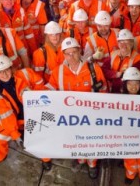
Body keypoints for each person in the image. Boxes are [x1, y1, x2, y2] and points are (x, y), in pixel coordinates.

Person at [46, 37, 108, 179]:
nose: (71, 56)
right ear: (63, 54)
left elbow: (104, 90)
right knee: (76, 140)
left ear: (80, 52)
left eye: (74, 52)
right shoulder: (57, 72)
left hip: (92, 117)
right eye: (68, 53)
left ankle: (92, 164)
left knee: (92, 141)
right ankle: (80, 159)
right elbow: (49, 92)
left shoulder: (94, 69)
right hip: (70, 119)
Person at [0, 55, 45, 167]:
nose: (4, 74)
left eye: (6, 70)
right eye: (0, 72)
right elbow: (7, 117)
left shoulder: (25, 74)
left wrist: (36, 98)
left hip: (33, 115)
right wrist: (16, 135)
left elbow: (39, 82)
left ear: (11, 68)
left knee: (41, 136)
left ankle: (46, 160)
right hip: (14, 121)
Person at [121, 68, 140, 185]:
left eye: (136, 84)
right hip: (127, 137)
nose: (133, 87)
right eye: (130, 84)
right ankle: (130, 174)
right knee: (129, 158)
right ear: (125, 84)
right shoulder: (117, 101)